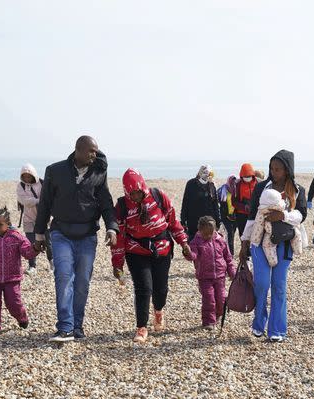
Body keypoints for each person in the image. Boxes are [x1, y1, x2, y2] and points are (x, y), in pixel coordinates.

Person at [34, 135, 119, 342]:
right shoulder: (55, 171)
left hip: (88, 235)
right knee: (63, 277)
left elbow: (105, 202)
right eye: (91, 150)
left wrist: (112, 227)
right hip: (60, 233)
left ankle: (77, 326)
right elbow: (44, 203)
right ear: (78, 150)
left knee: (82, 282)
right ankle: (65, 327)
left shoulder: (99, 171)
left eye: (96, 151)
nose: (95, 154)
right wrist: (38, 234)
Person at [111, 168, 191, 343]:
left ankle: (159, 311)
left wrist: (183, 243)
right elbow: (119, 237)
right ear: (126, 191)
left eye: (138, 193)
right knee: (143, 289)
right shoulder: (122, 206)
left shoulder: (158, 196)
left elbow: (173, 222)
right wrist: (117, 263)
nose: (136, 196)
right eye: (132, 194)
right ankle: (141, 327)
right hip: (136, 250)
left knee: (161, 289)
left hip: (161, 248)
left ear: (143, 188)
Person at [239, 150, 307, 342]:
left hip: (283, 243)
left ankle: (277, 330)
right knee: (261, 284)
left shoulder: (298, 190)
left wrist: (283, 216)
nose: (274, 171)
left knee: (279, 286)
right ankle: (259, 323)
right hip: (259, 242)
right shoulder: (261, 188)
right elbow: (252, 217)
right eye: (271, 168)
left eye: (278, 169)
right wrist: (244, 243)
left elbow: (302, 215)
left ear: (287, 170)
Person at [0, 208, 39, 338]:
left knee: (13, 303)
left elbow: (27, 252)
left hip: (12, 278)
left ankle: (21, 317)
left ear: (8, 223)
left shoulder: (16, 237)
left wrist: (35, 248)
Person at [186, 216, 236, 330]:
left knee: (221, 298)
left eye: (210, 233)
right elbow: (193, 256)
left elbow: (228, 258)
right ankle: (208, 321)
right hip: (204, 276)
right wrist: (187, 252)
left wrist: (232, 272)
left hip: (220, 276)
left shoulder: (220, 240)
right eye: (205, 234)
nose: (208, 236)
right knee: (209, 299)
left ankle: (218, 314)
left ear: (215, 230)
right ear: (199, 230)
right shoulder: (196, 242)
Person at [250, 188, 303, 267]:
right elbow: (297, 217)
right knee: (296, 234)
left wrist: (255, 240)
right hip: (289, 230)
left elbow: (259, 226)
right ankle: (298, 250)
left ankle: (273, 261)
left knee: (267, 245)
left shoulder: (262, 211)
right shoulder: (284, 206)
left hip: (272, 233)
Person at [16, 163, 53, 275]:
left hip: (45, 219)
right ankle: (32, 266)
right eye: (24, 176)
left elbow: (48, 198)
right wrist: (38, 201)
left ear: (33, 175)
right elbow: (24, 200)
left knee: (48, 241)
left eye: (29, 175)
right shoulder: (20, 186)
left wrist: (35, 201)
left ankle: (52, 264)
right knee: (31, 243)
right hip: (29, 219)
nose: (27, 178)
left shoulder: (42, 183)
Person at [180, 165, 221, 242]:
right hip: (193, 221)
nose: (207, 175)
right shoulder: (191, 184)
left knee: (208, 244)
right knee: (193, 244)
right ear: (199, 173)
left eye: (209, 173)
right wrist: (183, 220)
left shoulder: (211, 185)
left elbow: (215, 205)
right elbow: (185, 203)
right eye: (205, 173)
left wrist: (218, 221)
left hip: (209, 222)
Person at [232, 163, 258, 237]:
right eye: (245, 176)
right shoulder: (237, 185)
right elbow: (234, 201)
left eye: (249, 176)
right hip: (241, 215)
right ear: (241, 176)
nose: (247, 178)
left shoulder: (258, 183)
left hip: (255, 214)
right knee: (243, 236)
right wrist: (244, 207)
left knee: (255, 235)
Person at [217, 175, 238, 255]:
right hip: (226, 216)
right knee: (230, 233)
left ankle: (228, 251)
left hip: (235, 217)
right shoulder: (223, 190)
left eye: (234, 181)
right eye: (232, 181)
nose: (233, 183)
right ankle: (231, 253)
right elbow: (220, 203)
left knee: (233, 233)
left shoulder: (237, 190)